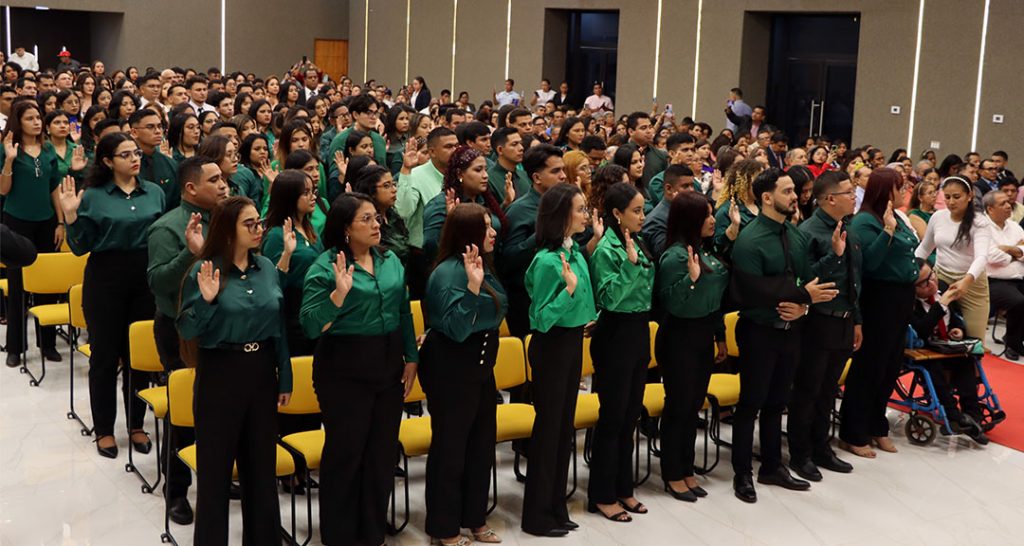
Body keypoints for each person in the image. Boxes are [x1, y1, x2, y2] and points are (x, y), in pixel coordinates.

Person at [299, 192, 418, 545]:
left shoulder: (390, 259)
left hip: (388, 363)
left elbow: (403, 312)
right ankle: (339, 533)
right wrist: (338, 295)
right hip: (344, 367)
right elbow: (309, 325)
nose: (376, 223)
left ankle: (372, 530)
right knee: (346, 452)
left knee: (382, 453)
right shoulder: (325, 266)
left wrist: (411, 357)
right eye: (365, 219)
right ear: (346, 229)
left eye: (375, 218)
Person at [177, 196, 294, 544]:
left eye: (259, 222)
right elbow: (185, 331)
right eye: (250, 224)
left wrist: (284, 376)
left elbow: (279, 327)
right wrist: (208, 302)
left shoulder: (268, 268)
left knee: (261, 469)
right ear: (228, 230)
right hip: (220, 372)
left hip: (260, 372)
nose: (258, 229)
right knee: (215, 473)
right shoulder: (205, 269)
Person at [729, 168, 837, 503]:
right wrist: (802, 297)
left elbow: (806, 280)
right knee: (751, 404)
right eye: (788, 191)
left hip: (792, 330)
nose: (795, 196)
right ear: (766, 197)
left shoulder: (796, 234)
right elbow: (751, 290)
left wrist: (803, 308)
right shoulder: (749, 240)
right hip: (759, 331)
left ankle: (773, 466)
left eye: (794, 191)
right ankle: (742, 474)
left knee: (778, 402)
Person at [59, 133, 166, 458]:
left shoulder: (155, 192)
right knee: (105, 358)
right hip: (105, 280)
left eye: (135, 153)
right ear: (107, 161)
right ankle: (104, 429)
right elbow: (79, 248)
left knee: (140, 357)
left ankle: (136, 424)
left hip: (144, 279)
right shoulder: (92, 195)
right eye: (125, 154)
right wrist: (71, 216)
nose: (134, 158)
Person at [146, 156, 227, 524]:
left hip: (223, 325)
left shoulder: (227, 221)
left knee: (220, 409)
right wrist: (189, 254)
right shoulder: (168, 228)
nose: (224, 184)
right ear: (192, 188)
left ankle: (218, 475)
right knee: (184, 412)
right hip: (181, 329)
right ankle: (176, 489)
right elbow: (160, 283)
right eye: (215, 179)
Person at [421, 203, 506, 546]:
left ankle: (475, 518)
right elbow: (456, 328)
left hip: (481, 366)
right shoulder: (446, 273)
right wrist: (472, 291)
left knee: (481, 447)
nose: (493, 232)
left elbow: (502, 308)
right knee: (451, 450)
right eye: (486, 227)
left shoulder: (483, 265)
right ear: (467, 234)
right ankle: (444, 527)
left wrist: (478, 292)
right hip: (451, 368)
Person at [521, 183, 596, 537]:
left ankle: (557, 506)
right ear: (561, 215)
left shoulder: (575, 253)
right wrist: (568, 291)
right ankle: (537, 515)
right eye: (580, 209)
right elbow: (540, 318)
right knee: (549, 431)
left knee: (564, 429)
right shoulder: (546, 261)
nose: (586, 214)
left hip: (571, 342)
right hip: (550, 346)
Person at [840, 168, 921, 458]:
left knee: (889, 367)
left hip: (901, 298)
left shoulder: (898, 217)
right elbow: (868, 264)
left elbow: (912, 249)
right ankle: (853, 432)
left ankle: (877, 426)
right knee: (869, 368)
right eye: (899, 188)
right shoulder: (864, 221)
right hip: (878, 298)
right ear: (885, 191)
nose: (903, 193)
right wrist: (886, 231)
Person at [587, 182, 655, 522]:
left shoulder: (635, 240)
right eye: (637, 211)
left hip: (638, 329)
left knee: (630, 417)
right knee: (612, 418)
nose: (643, 216)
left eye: (643, 209)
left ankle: (624, 487)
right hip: (615, 332)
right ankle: (602, 494)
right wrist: (630, 266)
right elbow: (610, 298)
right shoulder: (606, 249)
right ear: (617, 214)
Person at [655, 191, 729, 501]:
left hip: (702, 335)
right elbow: (670, 303)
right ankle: (673, 473)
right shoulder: (674, 256)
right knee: (679, 407)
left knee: (692, 408)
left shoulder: (704, 250)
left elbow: (716, 303)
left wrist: (720, 335)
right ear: (690, 220)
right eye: (707, 215)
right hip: (679, 337)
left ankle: (687, 468)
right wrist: (692, 280)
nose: (713, 220)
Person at [787, 170, 860, 482]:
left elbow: (854, 280)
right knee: (808, 390)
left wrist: (857, 319)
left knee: (829, 390)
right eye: (848, 192)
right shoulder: (809, 231)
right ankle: (800, 453)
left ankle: (822, 446)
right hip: (817, 321)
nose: (854, 196)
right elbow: (805, 280)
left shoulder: (847, 226)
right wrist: (834, 253)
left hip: (843, 319)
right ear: (831, 198)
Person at [0, 101, 71, 367]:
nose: (37, 122)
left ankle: (48, 343)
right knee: (18, 286)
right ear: (19, 122)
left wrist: (60, 222)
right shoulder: (8, 148)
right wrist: (8, 160)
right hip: (17, 221)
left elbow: (54, 188)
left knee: (46, 284)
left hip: (46, 221)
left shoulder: (49, 148)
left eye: (38, 117)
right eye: (30, 118)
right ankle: (15, 347)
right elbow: (3, 190)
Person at [909, 263, 990, 444]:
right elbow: (921, 329)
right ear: (913, 289)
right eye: (924, 283)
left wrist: (957, 330)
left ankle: (973, 414)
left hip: (947, 346)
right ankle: (953, 414)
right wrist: (942, 303)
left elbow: (955, 318)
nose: (931, 283)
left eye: (932, 276)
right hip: (925, 349)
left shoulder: (943, 289)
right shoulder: (911, 304)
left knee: (966, 361)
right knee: (933, 368)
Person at [499, 144, 569, 337]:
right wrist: (541, 233)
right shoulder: (520, 211)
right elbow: (508, 260)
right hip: (528, 301)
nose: (563, 176)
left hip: (562, 296)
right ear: (537, 178)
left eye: (563, 169)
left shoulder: (565, 205)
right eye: (555, 171)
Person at [915, 176, 991, 344]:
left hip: (972, 283)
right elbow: (924, 248)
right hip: (939, 279)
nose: (951, 202)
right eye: (947, 197)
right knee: (935, 334)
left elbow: (981, 257)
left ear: (969, 196)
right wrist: (912, 271)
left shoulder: (980, 222)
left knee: (974, 343)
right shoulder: (938, 217)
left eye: (957, 197)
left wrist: (966, 281)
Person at [394, 126, 459, 296]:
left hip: (455, 254)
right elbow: (403, 211)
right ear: (432, 152)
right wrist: (406, 170)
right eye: (448, 147)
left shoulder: (462, 175)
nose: (455, 151)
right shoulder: (416, 175)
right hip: (424, 256)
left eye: (456, 146)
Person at [422, 146, 506, 263]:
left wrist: (506, 204)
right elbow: (432, 247)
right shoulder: (440, 205)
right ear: (460, 174)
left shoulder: (484, 199)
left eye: (485, 169)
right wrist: (452, 221)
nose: (485, 175)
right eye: (478, 170)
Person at [983, 190, 1024, 361]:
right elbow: (991, 257)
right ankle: (1013, 343)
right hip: (992, 281)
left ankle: (1016, 337)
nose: (1009, 206)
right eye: (1003, 203)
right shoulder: (982, 227)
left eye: (1009, 202)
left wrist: (1007, 248)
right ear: (990, 209)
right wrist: (1017, 251)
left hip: (1019, 277)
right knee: (1019, 301)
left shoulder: (1014, 226)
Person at [641, 164, 695, 259]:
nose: (691, 190)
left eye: (692, 185)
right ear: (669, 188)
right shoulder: (655, 221)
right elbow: (664, 253)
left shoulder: (689, 209)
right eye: (685, 186)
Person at [129, 109, 179, 209]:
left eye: (160, 126)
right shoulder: (127, 164)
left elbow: (176, 200)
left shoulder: (170, 164)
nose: (157, 131)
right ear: (134, 132)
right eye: (150, 127)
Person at [714, 159, 763, 252]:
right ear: (744, 183)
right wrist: (734, 226)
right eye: (758, 180)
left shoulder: (763, 205)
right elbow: (718, 247)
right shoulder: (727, 210)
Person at [486, 127, 530, 204]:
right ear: (500, 150)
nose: (521, 148)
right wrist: (506, 203)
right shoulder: (489, 179)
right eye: (514, 144)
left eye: (520, 143)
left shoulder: (525, 175)